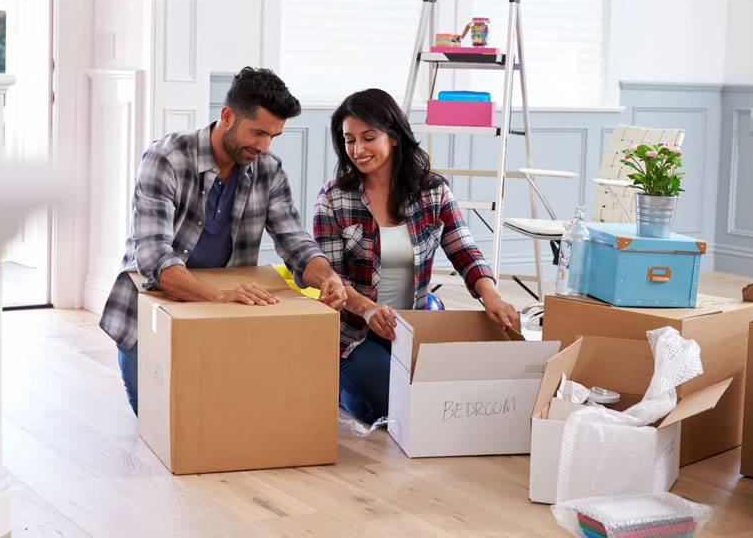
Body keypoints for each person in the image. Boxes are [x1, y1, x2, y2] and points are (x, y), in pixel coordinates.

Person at [99, 67, 348, 415]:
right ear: (227, 116)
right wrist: (219, 296)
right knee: (160, 419)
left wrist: (329, 278)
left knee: (225, 420)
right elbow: (154, 258)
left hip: (225, 317)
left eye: (273, 136)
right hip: (153, 308)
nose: (264, 146)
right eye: (258, 132)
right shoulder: (166, 158)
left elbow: (296, 242)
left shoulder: (269, 170)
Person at [313, 88, 521, 425]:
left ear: (393, 136)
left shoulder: (432, 190)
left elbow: (464, 250)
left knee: (446, 397)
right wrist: (367, 311)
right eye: (349, 140)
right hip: (354, 335)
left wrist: (491, 295)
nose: (358, 150)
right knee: (392, 406)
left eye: (369, 137)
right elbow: (331, 278)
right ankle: (335, 381)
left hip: (413, 325)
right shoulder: (334, 198)